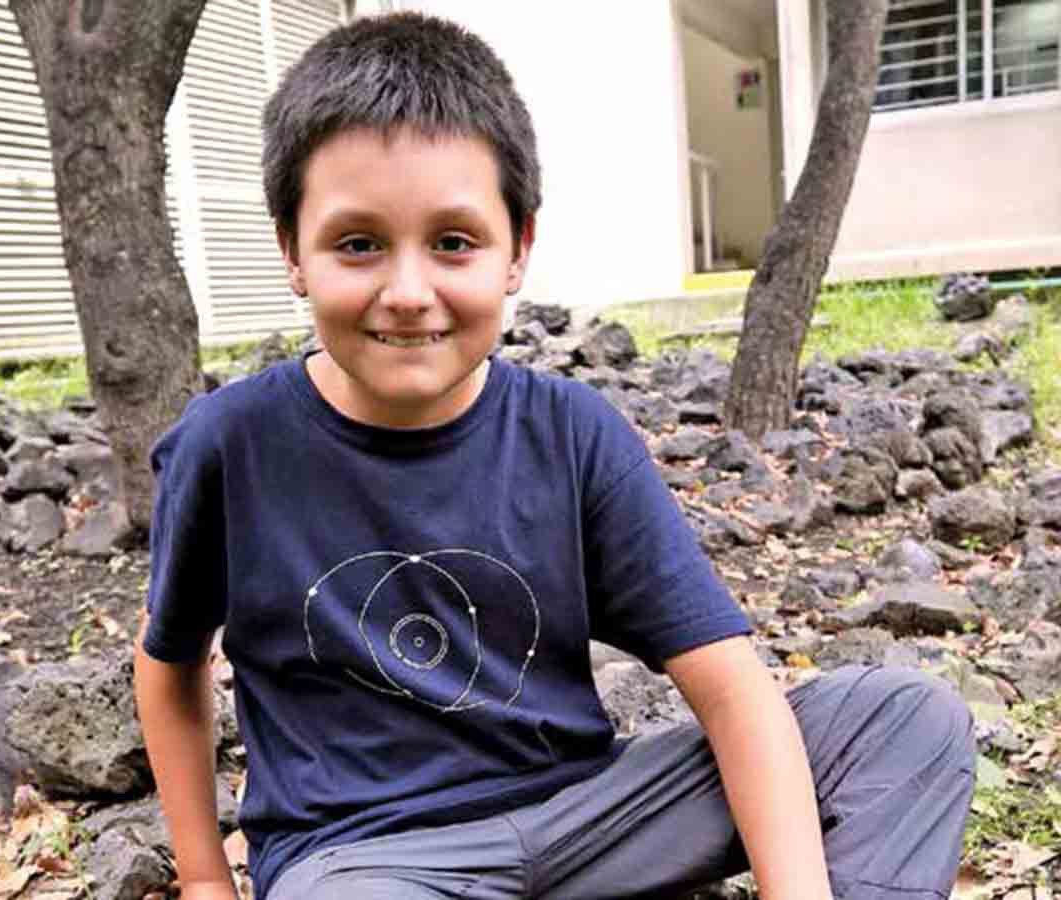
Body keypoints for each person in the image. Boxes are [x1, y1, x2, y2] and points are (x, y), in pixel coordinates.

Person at [133, 12, 976, 900]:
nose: (409, 292)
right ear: (292, 252)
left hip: (589, 820)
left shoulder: (571, 432)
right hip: (365, 859)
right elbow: (171, 664)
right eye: (359, 243)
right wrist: (202, 879)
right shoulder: (229, 445)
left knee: (903, 720)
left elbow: (731, 688)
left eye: (453, 242)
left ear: (517, 250)